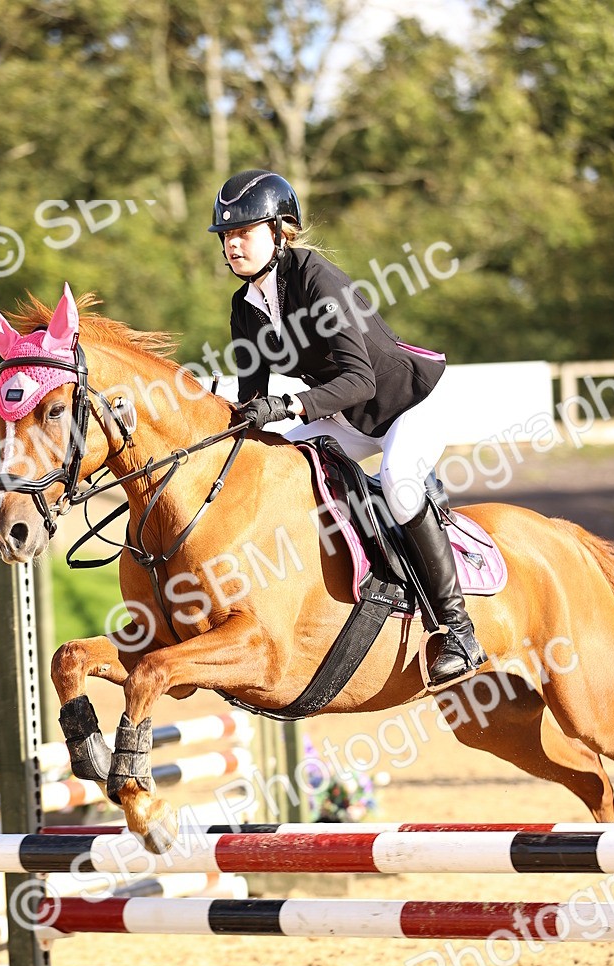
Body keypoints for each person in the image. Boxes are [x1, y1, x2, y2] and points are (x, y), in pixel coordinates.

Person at [208, 168, 487, 687]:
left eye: (244, 231)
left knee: (401, 488)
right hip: (349, 418)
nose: (233, 244)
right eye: (227, 236)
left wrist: (287, 405)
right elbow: (253, 399)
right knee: (279, 462)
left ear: (279, 230)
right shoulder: (243, 307)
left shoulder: (317, 278)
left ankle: (457, 630)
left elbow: (358, 380)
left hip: (409, 402)